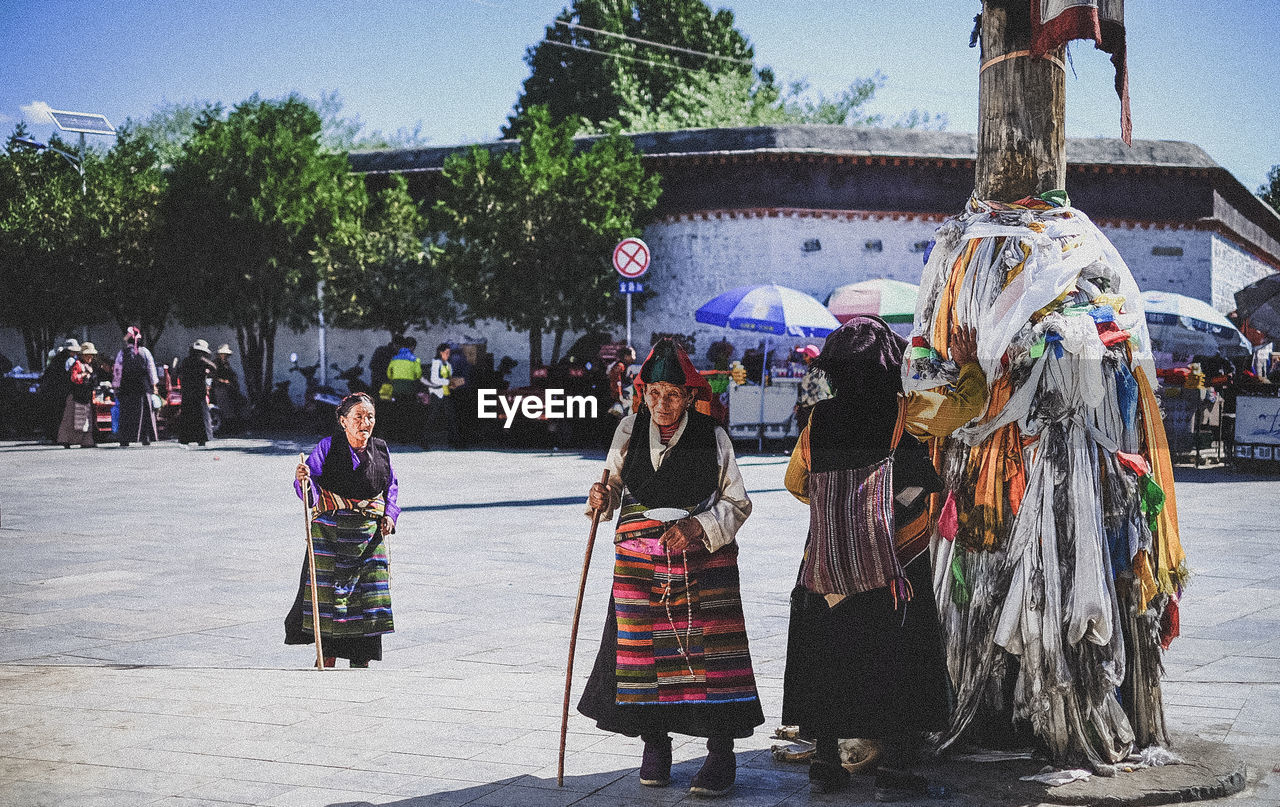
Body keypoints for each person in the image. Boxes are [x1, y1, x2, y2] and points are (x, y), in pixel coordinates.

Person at [781, 317, 987, 800]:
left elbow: (796, 483)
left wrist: (843, 512)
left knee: (828, 657)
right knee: (897, 657)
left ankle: (826, 762)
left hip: (826, 563)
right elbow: (968, 404)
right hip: (896, 562)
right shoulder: (905, 411)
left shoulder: (816, 421)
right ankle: (895, 769)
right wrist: (971, 362)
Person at [579, 338, 760, 798]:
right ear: (643, 393)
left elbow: (737, 502)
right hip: (639, 569)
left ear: (689, 397)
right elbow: (614, 487)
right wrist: (600, 500)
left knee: (712, 661)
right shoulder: (628, 429)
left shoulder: (712, 434)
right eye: (654, 392)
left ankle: (721, 753)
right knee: (643, 661)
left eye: (673, 394)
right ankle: (655, 744)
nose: (662, 403)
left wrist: (698, 527)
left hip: (702, 565)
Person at [287, 393, 398, 667]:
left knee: (366, 601)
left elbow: (391, 487)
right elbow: (309, 486)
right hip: (330, 536)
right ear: (343, 421)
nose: (365, 422)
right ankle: (327, 656)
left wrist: (390, 515)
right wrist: (303, 480)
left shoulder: (380, 448)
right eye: (358, 417)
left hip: (367, 537)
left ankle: (361, 659)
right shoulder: (327, 447)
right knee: (329, 599)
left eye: (370, 416)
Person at [112, 326, 159, 447]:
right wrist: (154, 385)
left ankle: (125, 438)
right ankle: (145, 437)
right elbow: (151, 370)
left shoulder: (122, 353)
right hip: (143, 387)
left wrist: (116, 386)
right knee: (145, 414)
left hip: (127, 388)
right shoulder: (145, 352)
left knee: (127, 413)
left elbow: (118, 371)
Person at [176, 339, 218, 446]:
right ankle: (202, 438)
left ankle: (185, 438)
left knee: (187, 415)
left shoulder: (186, 361)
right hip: (199, 392)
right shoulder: (202, 361)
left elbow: (179, 372)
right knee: (201, 416)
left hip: (187, 391)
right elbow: (214, 368)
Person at [57, 341, 98, 448]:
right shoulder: (77, 365)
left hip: (85, 396)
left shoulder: (90, 366)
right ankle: (66, 440)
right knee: (70, 420)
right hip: (75, 396)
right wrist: (84, 375)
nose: (90, 357)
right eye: (88, 355)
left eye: (91, 355)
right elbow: (74, 378)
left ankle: (87, 441)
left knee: (86, 420)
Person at [423, 343, 463, 448]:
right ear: (441, 353)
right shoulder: (436, 363)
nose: (448, 355)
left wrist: (454, 382)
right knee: (432, 417)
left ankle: (455, 442)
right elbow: (434, 379)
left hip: (447, 394)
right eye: (446, 353)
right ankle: (424, 440)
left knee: (451, 418)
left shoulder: (448, 365)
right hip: (437, 394)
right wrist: (447, 382)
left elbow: (450, 377)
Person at [39, 338, 80, 442]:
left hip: (50, 390)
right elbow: (69, 377)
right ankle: (60, 437)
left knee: (52, 414)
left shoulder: (56, 358)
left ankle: (51, 436)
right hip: (62, 391)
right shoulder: (69, 360)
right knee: (61, 414)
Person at [792, 344, 832, 429]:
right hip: (821, 410)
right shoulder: (821, 371)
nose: (803, 358)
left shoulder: (812, 374)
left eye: (805, 355)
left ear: (810, 357)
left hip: (810, 411)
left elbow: (804, 395)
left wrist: (798, 405)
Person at [211, 344, 245, 425]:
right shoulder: (214, 364)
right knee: (225, 405)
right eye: (223, 354)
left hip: (229, 387)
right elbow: (213, 377)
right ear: (219, 355)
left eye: (226, 355)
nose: (225, 356)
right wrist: (223, 381)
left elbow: (231, 374)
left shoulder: (226, 364)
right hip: (219, 388)